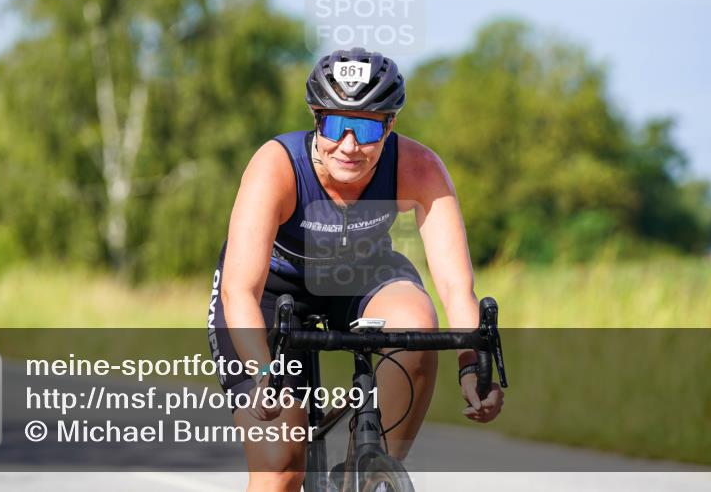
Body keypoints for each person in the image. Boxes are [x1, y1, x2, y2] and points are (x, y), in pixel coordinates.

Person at [206, 47, 503, 492]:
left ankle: (371, 471)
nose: (348, 145)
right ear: (315, 118)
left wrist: (472, 368)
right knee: (280, 465)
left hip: (360, 277)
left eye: (364, 127)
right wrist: (263, 376)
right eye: (335, 124)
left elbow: (456, 286)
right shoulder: (277, 167)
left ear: (389, 126)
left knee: (418, 321)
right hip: (271, 291)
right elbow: (239, 292)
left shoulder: (419, 167)